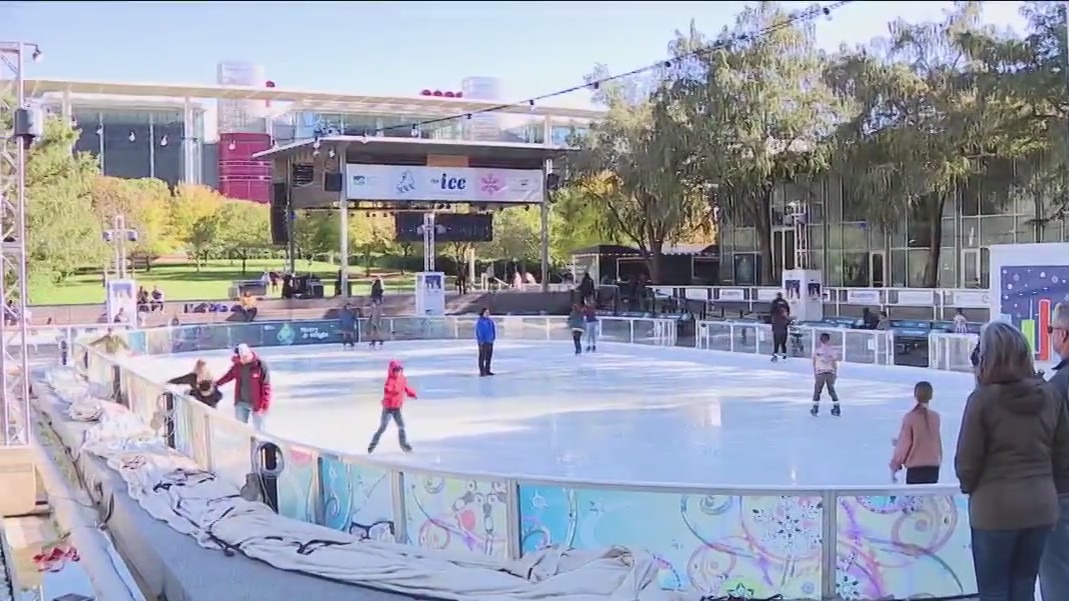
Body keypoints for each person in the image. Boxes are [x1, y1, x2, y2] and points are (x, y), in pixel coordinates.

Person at [955, 321, 1069, 601]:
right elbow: (1062, 454)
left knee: (994, 590)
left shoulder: (982, 400)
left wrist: (972, 488)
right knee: (1023, 586)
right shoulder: (1051, 394)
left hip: (995, 509)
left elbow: (967, 463)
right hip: (1041, 508)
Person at [1041, 302, 1069, 599]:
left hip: (1061, 493)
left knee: (1056, 571)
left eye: (1051, 330)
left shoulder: (1058, 385)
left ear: (1062, 334)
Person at [890, 381, 941, 484]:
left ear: (915, 395)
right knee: (929, 498)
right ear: (931, 395)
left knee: (915, 498)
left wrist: (895, 465)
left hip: (916, 467)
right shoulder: (935, 417)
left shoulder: (910, 418)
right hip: (933, 466)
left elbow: (905, 444)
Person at [215, 343, 271, 431]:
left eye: (245, 357)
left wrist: (264, 406)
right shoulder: (238, 366)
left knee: (260, 431)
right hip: (241, 402)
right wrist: (216, 384)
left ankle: (259, 444)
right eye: (240, 358)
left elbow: (266, 386)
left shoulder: (260, 365)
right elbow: (228, 376)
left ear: (249, 354)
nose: (242, 360)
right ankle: (243, 444)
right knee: (241, 429)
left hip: (258, 404)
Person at [367, 360, 415, 454]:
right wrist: (392, 391)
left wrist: (411, 393)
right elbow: (387, 391)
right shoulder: (390, 381)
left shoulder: (402, 379)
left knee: (402, 426)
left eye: (399, 370)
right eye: (396, 370)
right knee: (383, 427)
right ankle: (372, 445)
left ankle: (404, 445)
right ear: (392, 370)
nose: (397, 372)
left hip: (397, 408)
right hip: (388, 409)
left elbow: (405, 388)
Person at [810, 331, 841, 416]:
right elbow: (834, 363)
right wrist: (835, 373)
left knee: (817, 391)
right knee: (832, 391)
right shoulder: (832, 351)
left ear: (820, 340)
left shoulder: (817, 351)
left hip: (820, 372)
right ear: (828, 340)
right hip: (830, 372)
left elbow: (814, 363)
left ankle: (815, 408)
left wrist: (815, 374)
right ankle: (836, 408)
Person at [475, 307, 496, 376]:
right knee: (482, 356)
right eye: (486, 312)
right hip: (483, 342)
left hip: (490, 341)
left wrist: (493, 338)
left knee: (488, 357)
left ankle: (487, 370)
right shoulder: (480, 321)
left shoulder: (490, 321)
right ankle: (482, 371)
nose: (487, 314)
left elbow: (493, 329)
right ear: (482, 313)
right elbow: (479, 332)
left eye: (488, 312)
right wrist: (481, 340)